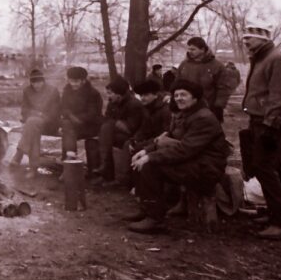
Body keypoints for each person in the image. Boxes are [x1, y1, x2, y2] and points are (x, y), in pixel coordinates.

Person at [127, 79, 230, 234]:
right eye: (176, 95)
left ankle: (155, 220)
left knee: (151, 167)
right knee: (138, 160)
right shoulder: (186, 113)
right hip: (194, 162)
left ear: (195, 97)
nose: (179, 98)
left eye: (184, 95)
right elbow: (169, 136)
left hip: (207, 167)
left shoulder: (203, 118)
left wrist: (151, 157)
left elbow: (185, 149)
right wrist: (146, 151)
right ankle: (146, 209)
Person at [241, 21, 281, 240]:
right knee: (274, 167)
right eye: (244, 37)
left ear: (264, 38)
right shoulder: (262, 58)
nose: (245, 41)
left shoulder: (277, 59)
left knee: (264, 167)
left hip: (270, 122)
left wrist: (271, 127)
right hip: (261, 120)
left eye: (250, 37)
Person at [97, 75, 146, 187]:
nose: (108, 96)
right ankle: (105, 173)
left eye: (110, 93)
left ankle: (106, 170)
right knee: (103, 134)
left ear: (119, 95)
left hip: (133, 136)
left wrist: (114, 122)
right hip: (115, 134)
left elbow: (131, 128)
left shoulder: (134, 104)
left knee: (106, 131)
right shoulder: (113, 102)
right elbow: (106, 117)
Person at [12, 68, 61, 174]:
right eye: (34, 82)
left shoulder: (52, 91)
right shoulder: (27, 91)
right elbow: (24, 110)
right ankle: (33, 168)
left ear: (43, 81)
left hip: (50, 124)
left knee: (31, 123)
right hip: (33, 123)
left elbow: (55, 112)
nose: (37, 85)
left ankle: (19, 154)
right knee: (33, 127)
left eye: (39, 82)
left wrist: (39, 115)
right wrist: (35, 114)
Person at [177, 37, 235, 122]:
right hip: (186, 108)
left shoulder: (217, 66)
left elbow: (223, 88)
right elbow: (177, 84)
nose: (190, 51)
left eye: (193, 49)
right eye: (189, 49)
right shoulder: (184, 65)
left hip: (208, 108)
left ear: (202, 49)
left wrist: (219, 106)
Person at [60, 66, 104, 173]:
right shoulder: (67, 91)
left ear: (83, 80)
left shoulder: (93, 93)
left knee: (67, 128)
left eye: (76, 81)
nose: (73, 84)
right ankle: (70, 162)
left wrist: (76, 119)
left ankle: (69, 162)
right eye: (71, 80)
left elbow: (92, 114)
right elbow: (63, 107)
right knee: (67, 127)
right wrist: (71, 116)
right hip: (73, 125)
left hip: (90, 126)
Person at [130, 79, 170, 152]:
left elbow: (165, 134)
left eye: (146, 95)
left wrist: (142, 144)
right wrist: (134, 140)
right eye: (141, 95)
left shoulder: (165, 110)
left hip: (161, 145)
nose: (142, 98)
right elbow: (144, 129)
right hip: (151, 142)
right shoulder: (147, 108)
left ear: (155, 95)